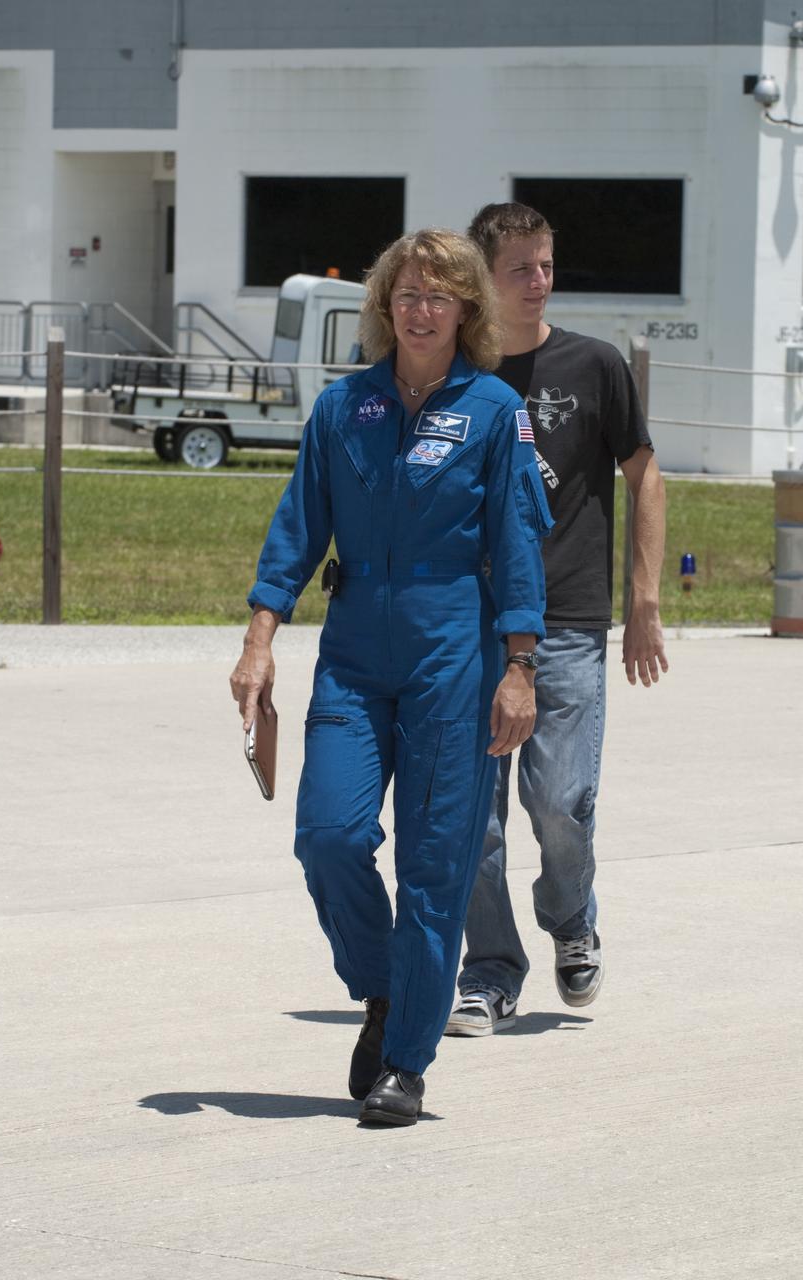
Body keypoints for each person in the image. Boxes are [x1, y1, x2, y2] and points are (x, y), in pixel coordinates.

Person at [230, 228, 552, 1125]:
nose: (420, 310)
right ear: (384, 306)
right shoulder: (344, 409)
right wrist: (260, 638)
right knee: (327, 835)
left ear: (465, 312)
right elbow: (296, 528)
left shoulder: (493, 412)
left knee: (435, 862)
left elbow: (519, 543)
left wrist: (520, 666)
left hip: (457, 647)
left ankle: (406, 1058)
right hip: (356, 649)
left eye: (438, 296)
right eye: (406, 294)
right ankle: (380, 987)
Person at [445, 202, 667, 1037]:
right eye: (520, 270)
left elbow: (646, 476)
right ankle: (491, 970)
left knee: (561, 800)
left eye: (546, 266)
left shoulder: (595, 365)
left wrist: (644, 601)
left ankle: (572, 923)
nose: (539, 283)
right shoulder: (453, 375)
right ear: (482, 278)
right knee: (472, 812)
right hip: (467, 623)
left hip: (570, 616)